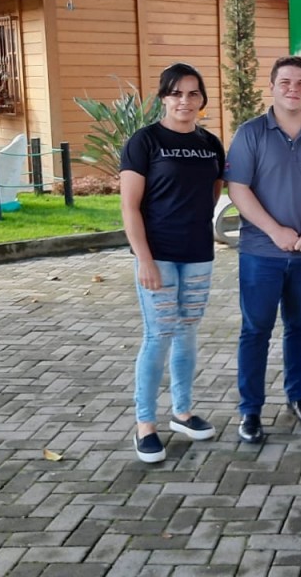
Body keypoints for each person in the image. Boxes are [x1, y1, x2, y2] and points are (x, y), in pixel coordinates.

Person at [225, 55, 301, 444]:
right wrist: (274, 230)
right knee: (256, 331)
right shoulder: (251, 133)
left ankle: (298, 396)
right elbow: (238, 188)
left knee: (300, 328)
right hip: (261, 254)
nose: (293, 89)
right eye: (285, 82)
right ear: (273, 86)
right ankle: (251, 411)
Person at [119, 62, 224, 463]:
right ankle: (145, 424)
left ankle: (183, 412)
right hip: (157, 256)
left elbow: (211, 194)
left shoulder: (210, 143)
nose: (185, 100)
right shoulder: (144, 142)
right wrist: (143, 258)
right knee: (158, 334)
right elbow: (130, 207)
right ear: (164, 97)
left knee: (187, 331)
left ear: (202, 100)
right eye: (176, 93)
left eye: (193, 93)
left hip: (197, 254)